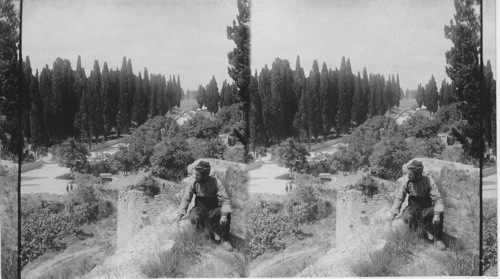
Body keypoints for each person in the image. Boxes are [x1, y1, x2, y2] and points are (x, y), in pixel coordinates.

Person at [388, 160, 445, 250]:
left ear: (418, 174)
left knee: (439, 213)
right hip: (413, 208)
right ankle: (418, 233)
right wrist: (393, 214)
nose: (408, 176)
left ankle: (438, 238)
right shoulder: (407, 181)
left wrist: (437, 214)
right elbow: (400, 198)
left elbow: (438, 199)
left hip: (425, 209)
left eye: (410, 174)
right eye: (408, 174)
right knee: (407, 215)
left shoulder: (429, 181)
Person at [177, 161, 233, 251]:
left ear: (205, 175)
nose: (195, 176)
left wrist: (224, 215)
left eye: (198, 175)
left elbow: (225, 200)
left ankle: (225, 240)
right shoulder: (194, 183)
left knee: (226, 214)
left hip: (213, 210)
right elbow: (186, 198)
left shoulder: (216, 182)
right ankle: (204, 233)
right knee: (194, 216)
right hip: (200, 209)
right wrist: (180, 214)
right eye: (196, 174)